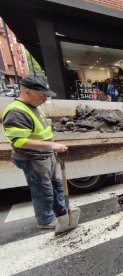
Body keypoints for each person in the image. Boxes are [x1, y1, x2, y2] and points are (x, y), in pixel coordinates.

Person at [1, 76, 72, 230]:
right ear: (27, 92)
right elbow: (19, 141)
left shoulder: (32, 106)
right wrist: (51, 145)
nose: (45, 99)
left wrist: (50, 145)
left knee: (56, 186)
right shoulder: (16, 112)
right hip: (33, 158)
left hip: (45, 155)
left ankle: (61, 212)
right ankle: (45, 220)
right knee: (42, 190)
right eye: (42, 95)